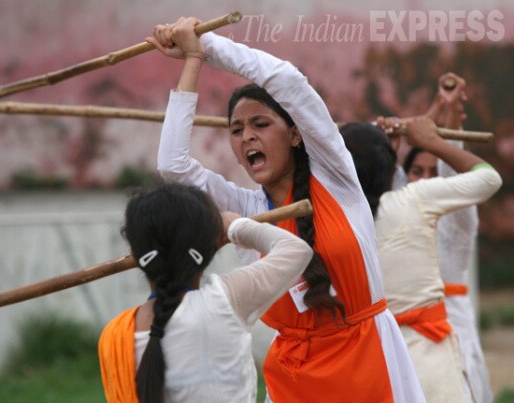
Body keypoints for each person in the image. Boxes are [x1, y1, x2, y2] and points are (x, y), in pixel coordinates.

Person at [149, 17, 424, 403]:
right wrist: (191, 61)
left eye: (260, 124)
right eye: (237, 129)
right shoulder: (244, 210)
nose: (247, 137)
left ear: (295, 134)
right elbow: (173, 167)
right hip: (292, 381)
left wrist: (208, 46)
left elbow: (287, 80)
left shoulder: (335, 178)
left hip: (370, 368)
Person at [98, 183, 313, 402]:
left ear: (136, 254)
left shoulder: (113, 336)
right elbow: (296, 250)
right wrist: (235, 226)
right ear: (212, 247)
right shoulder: (222, 300)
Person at [342, 110, 502, 402]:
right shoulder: (415, 198)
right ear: (394, 170)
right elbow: (489, 179)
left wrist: (384, 153)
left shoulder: (334, 221)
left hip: (373, 361)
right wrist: (433, 141)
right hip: (430, 360)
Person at [388, 73, 494, 403]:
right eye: (417, 172)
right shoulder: (398, 210)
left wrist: (448, 120)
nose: (424, 179)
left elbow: (457, 173)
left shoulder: (457, 219)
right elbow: (389, 177)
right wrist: (437, 107)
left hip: (451, 326)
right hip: (403, 330)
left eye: (433, 173)